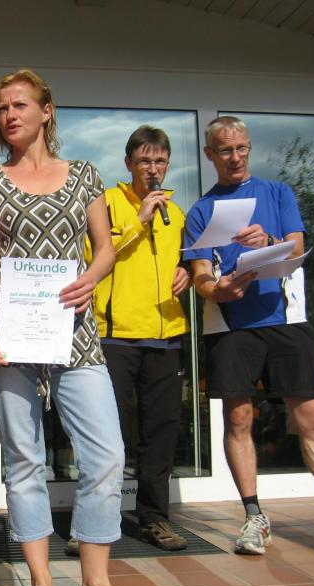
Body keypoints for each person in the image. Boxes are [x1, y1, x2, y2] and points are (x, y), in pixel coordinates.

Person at [183, 115, 314, 563]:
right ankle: (254, 516)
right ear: (209, 154)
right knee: (239, 419)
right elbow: (200, 276)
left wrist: (268, 240)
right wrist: (218, 290)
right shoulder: (201, 210)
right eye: (224, 150)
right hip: (230, 326)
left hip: (286, 319)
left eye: (241, 148)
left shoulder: (278, 193)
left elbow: (297, 249)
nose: (235, 157)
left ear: (249, 148)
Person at [0, 68, 129, 586]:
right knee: (23, 458)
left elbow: (105, 248)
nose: (9, 115)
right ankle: (41, 584)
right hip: (8, 333)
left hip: (75, 331)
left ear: (46, 110)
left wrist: (92, 277)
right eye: (2, 109)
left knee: (106, 455)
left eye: (19, 104)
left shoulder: (83, 174)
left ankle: (96, 584)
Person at [86, 126, 190, 552]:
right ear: (128, 163)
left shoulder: (176, 213)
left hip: (166, 334)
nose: (153, 168)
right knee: (106, 433)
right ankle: (94, 522)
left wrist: (186, 271)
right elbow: (93, 256)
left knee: (160, 432)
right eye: (145, 160)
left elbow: (182, 261)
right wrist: (139, 220)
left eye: (160, 161)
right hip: (116, 336)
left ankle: (154, 518)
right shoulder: (108, 202)